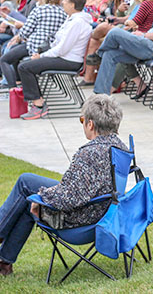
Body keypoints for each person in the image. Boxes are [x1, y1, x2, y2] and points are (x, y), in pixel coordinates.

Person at [0, 94, 127, 275]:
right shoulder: (119, 146)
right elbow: (78, 189)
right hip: (102, 210)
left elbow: (69, 199)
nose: (83, 124)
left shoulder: (89, 153)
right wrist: (47, 193)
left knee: (25, 183)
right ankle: (3, 262)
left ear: (90, 124)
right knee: (28, 188)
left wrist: (42, 198)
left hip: (80, 220)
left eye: (82, 119)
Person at [17, 0, 92, 119]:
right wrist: (42, 55)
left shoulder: (77, 22)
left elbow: (61, 49)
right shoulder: (72, 19)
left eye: (66, 1)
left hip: (69, 61)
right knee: (25, 64)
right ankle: (37, 102)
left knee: (24, 67)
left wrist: (42, 56)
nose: (62, 2)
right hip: (64, 57)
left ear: (72, 5)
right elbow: (58, 46)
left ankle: (39, 105)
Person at [80, 0, 153, 86]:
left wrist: (124, 20)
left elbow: (133, 21)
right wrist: (121, 17)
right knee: (105, 41)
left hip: (140, 36)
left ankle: (108, 77)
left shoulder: (145, 4)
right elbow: (130, 19)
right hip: (143, 37)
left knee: (113, 45)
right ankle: (131, 85)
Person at [0, 0, 66, 89]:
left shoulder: (39, 10)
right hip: (52, 47)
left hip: (34, 46)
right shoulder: (64, 13)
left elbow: (26, 31)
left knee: (5, 59)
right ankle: (18, 84)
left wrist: (17, 37)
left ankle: (13, 89)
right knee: (15, 53)